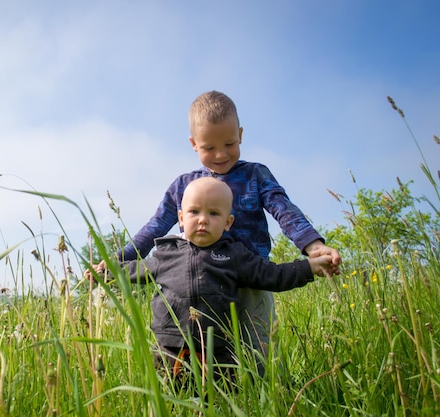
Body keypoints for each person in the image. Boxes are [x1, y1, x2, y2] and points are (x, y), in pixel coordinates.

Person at [106, 90, 342, 371]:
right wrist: (119, 259)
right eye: (209, 147)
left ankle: (260, 400)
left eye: (229, 143)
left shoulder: (255, 175)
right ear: (194, 144)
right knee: (205, 357)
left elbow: (284, 210)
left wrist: (313, 246)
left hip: (252, 281)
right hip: (204, 281)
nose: (221, 154)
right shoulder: (184, 186)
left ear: (240, 135)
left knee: (257, 352)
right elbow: (156, 225)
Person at [89, 177, 335, 382]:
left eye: (214, 213)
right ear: (181, 218)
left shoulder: (235, 255)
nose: (203, 219)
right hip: (169, 350)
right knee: (171, 402)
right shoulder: (166, 254)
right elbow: (134, 270)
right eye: (194, 212)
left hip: (218, 352)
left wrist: (309, 268)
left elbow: (272, 275)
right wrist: (105, 273)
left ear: (228, 223)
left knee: (220, 402)